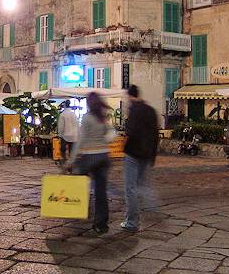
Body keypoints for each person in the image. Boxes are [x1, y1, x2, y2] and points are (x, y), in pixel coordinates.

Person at [66, 92, 115, 234]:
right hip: (104, 157)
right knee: (101, 191)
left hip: (90, 156)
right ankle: (101, 224)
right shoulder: (102, 117)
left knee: (77, 177)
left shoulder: (87, 118)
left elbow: (80, 140)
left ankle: (75, 207)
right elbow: (112, 133)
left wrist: (71, 160)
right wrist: (105, 141)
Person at [121, 85, 159, 233]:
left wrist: (124, 146)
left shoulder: (133, 110)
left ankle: (132, 221)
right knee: (142, 185)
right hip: (147, 153)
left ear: (130, 96)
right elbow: (155, 134)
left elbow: (130, 132)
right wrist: (153, 155)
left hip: (133, 153)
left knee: (130, 188)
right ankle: (152, 208)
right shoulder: (151, 110)